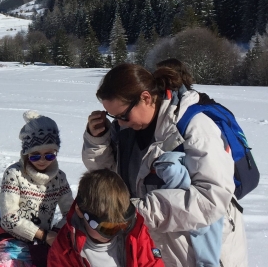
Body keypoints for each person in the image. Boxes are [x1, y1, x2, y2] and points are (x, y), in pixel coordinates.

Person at [83, 63, 247, 266]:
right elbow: (109, 180)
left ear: (146, 98)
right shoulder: (127, 130)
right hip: (153, 248)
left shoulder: (196, 127)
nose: (120, 122)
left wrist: (139, 211)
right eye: (113, 117)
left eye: (123, 115)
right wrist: (97, 140)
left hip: (201, 251)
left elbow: (212, 198)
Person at [0, 111, 74, 267]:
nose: (42, 160)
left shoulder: (59, 178)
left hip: (44, 242)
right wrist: (44, 235)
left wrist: (56, 232)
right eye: (35, 155)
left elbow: (71, 213)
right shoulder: (14, 174)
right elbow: (9, 218)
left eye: (49, 155)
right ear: (26, 153)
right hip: (12, 239)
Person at [48, 169, 164, 267]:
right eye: (108, 228)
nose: (116, 232)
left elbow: (152, 263)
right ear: (80, 211)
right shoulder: (65, 248)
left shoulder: (136, 235)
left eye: (123, 224)